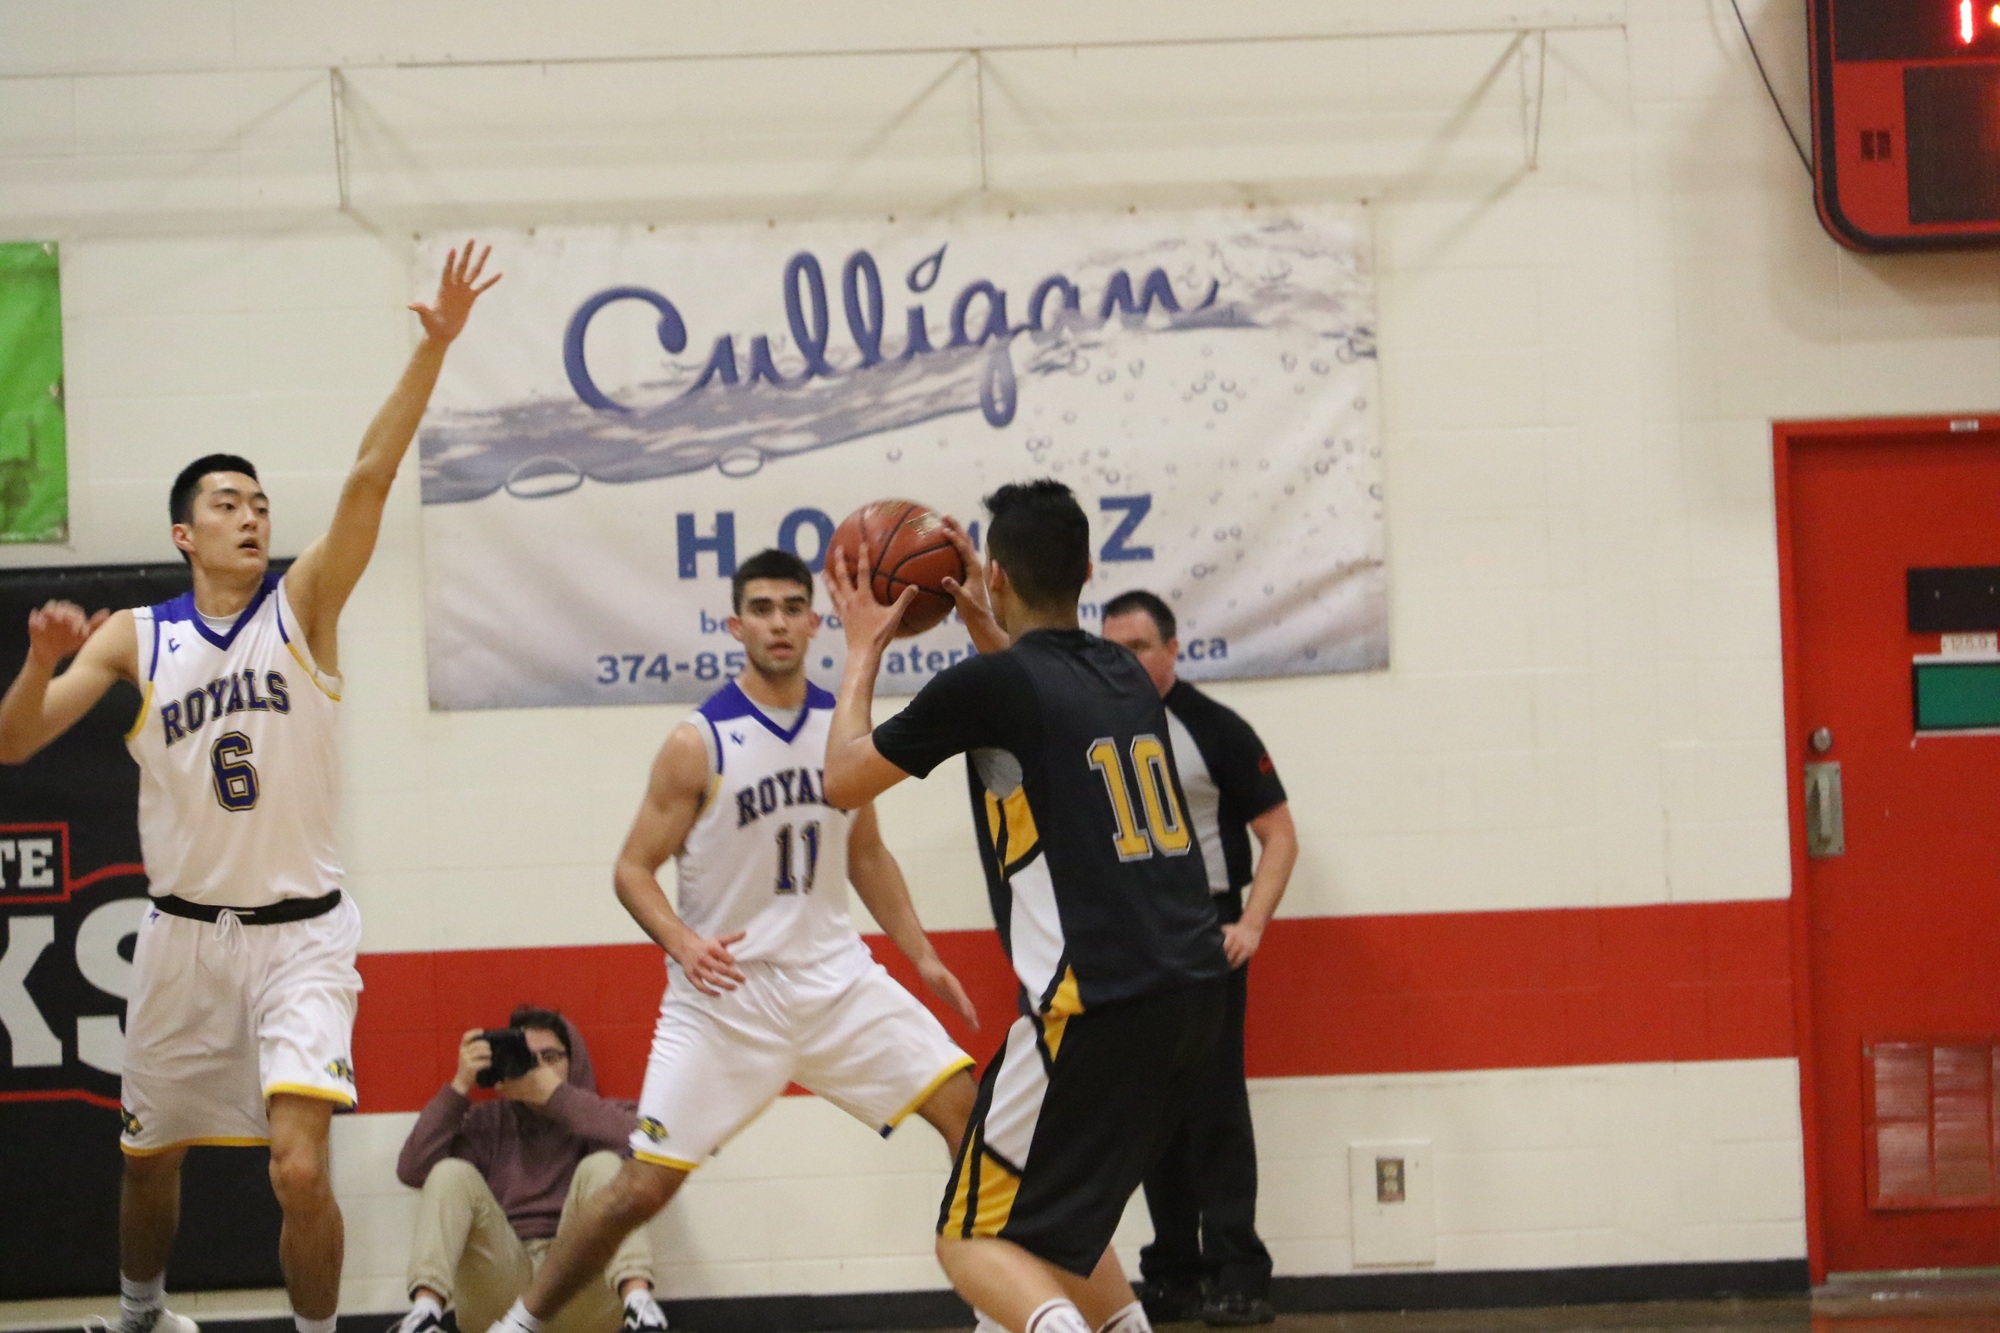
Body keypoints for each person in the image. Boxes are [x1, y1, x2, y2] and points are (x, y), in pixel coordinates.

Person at [0, 244, 499, 1333]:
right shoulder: (138, 636)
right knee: (147, 1159)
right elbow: (17, 740)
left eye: (261, 503)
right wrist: (38, 662)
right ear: (185, 532)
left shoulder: (302, 605)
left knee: (298, 1170)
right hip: (181, 938)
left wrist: (433, 347)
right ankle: (142, 1313)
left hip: (300, 937)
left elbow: (368, 478)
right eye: (228, 503)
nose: (252, 516)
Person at [484, 548, 981, 1333]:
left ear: (814, 622)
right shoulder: (699, 740)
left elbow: (866, 854)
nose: (778, 622)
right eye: (762, 608)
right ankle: (521, 1323)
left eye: (792, 607)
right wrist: (682, 941)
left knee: (970, 1116)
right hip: (725, 1000)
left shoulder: (842, 727)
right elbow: (632, 869)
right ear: (735, 624)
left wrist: (921, 952)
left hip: (835, 983)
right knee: (639, 1189)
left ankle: (996, 1308)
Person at [821, 480, 1232, 1333]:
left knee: (972, 1240)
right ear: (1087, 570)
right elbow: (1029, 692)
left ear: (996, 571)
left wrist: (862, 649)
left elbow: (843, 779)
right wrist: (986, 619)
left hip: (1094, 1005)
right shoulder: (1124, 672)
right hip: (1192, 994)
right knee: (1055, 1226)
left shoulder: (993, 686)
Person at [1099, 591, 1297, 1327]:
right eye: (1112, 649)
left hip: (1203, 930)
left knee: (1214, 1105)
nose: (1126, 661)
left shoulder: (1214, 727)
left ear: (1172, 650)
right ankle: (1174, 1271)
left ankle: (1240, 1271)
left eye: (1139, 647)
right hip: (1130, 936)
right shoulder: (1093, 729)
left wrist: (1250, 924)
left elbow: (1280, 836)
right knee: (1152, 1111)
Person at [393, 1008, 666, 1333]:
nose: (538, 1068)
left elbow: (658, 1147)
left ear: (574, 1062)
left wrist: (558, 1098)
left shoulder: (602, 1114)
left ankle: (639, 1308)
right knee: (450, 1172)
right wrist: (461, 1084)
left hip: (579, 1281)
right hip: (503, 1283)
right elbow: (413, 1169)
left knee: (604, 1166)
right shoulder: (488, 1122)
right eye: (528, 1058)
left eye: (550, 1057)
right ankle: (424, 1315)